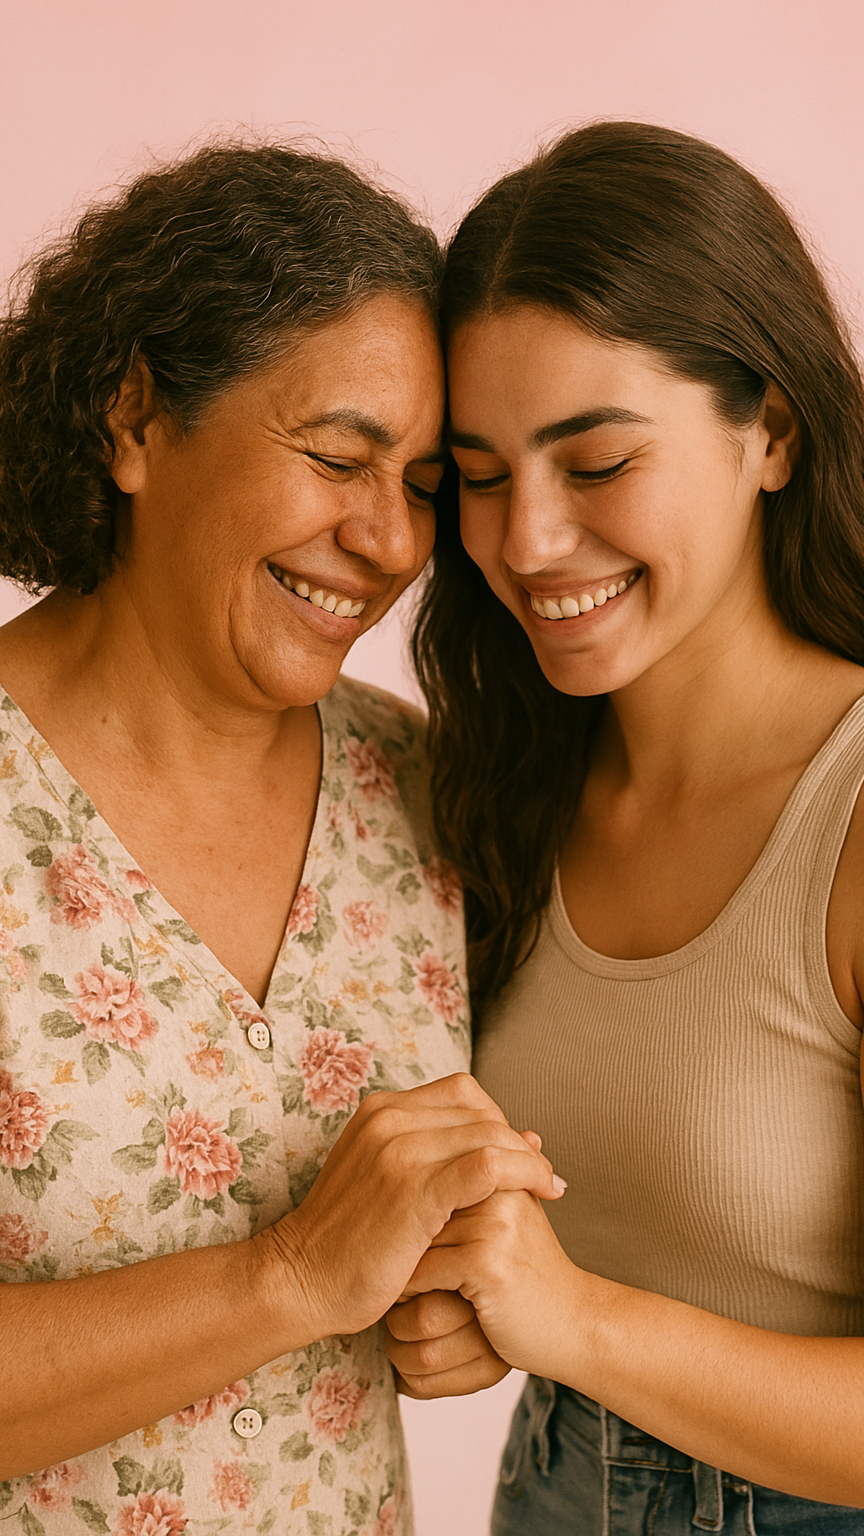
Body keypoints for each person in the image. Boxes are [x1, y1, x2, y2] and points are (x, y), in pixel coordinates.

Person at [0, 142, 562, 1534]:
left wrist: (482, 1300)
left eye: (426, 482)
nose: (387, 539)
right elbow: (315, 1268)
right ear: (135, 420)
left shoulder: (428, 793)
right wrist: (295, 1276)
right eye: (336, 458)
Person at [385, 121, 864, 1531]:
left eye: (594, 464)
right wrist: (474, 1312)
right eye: (478, 474)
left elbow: (582, 1308)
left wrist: (577, 1319)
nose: (526, 540)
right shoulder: (492, 792)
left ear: (770, 431)